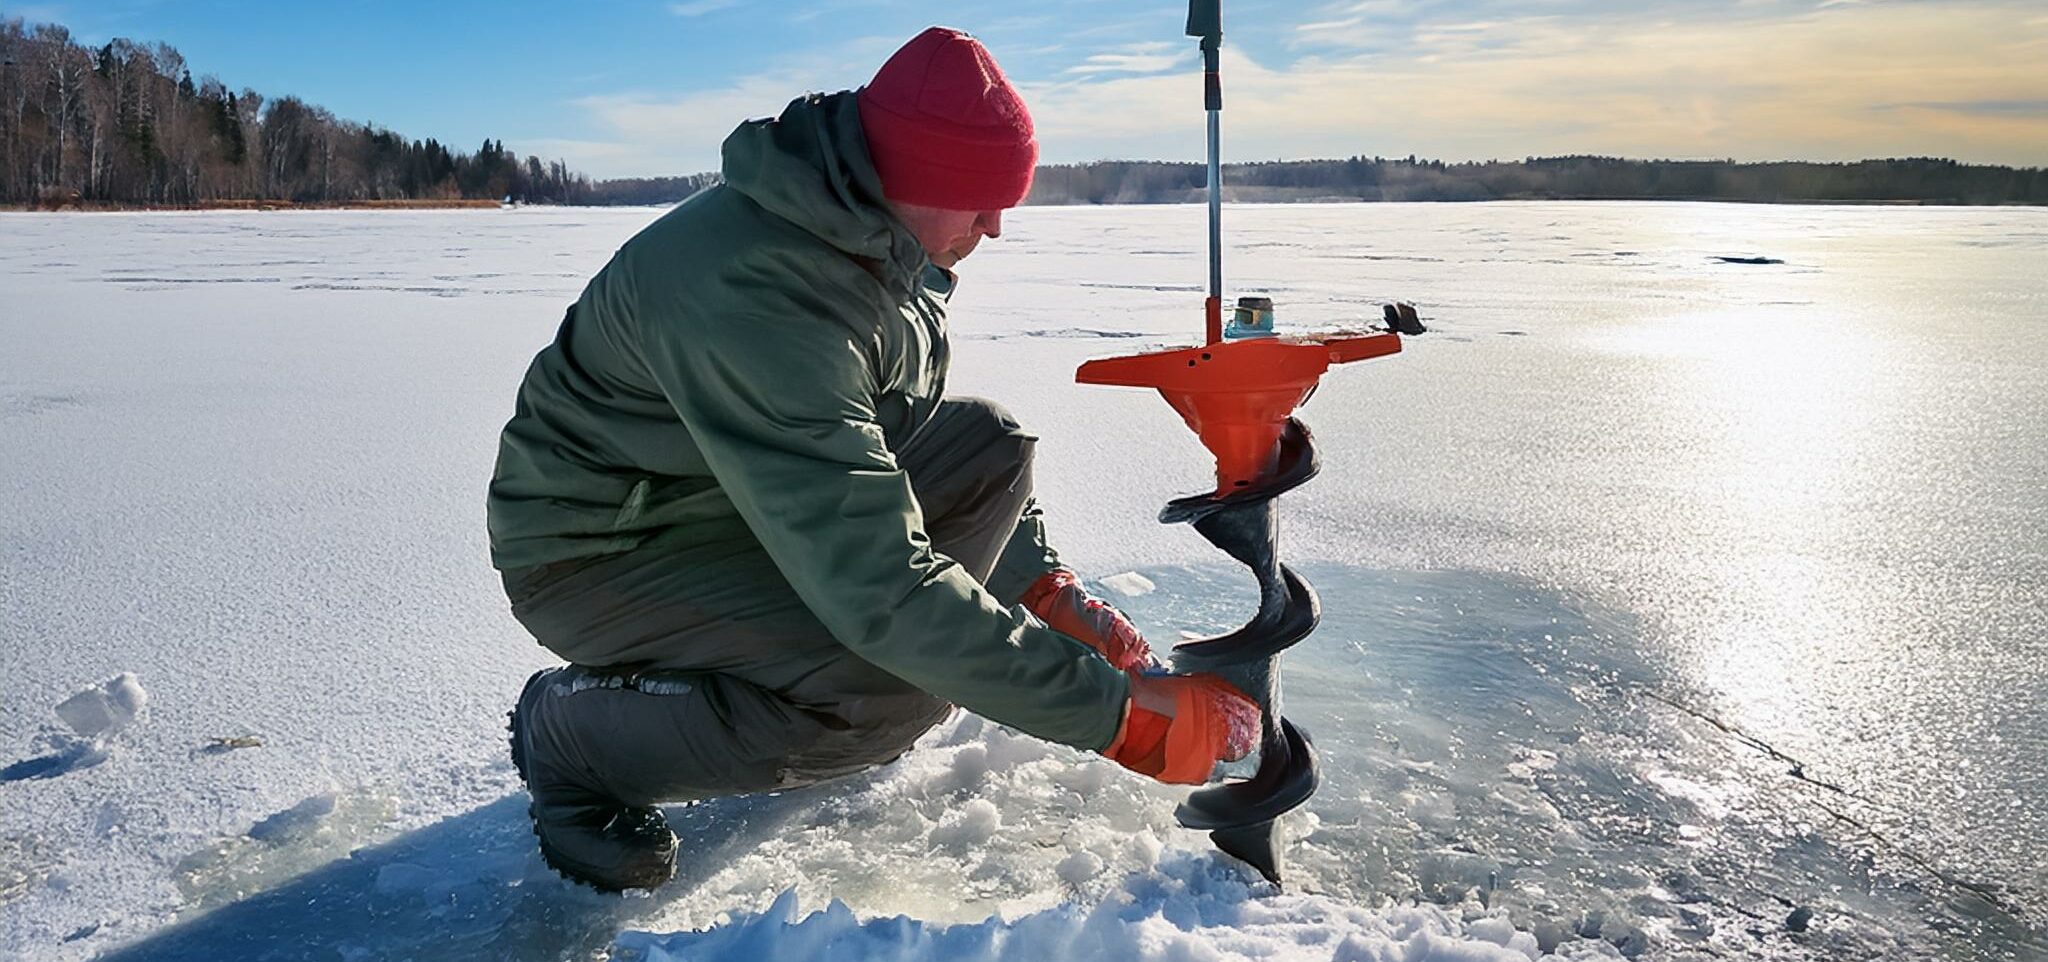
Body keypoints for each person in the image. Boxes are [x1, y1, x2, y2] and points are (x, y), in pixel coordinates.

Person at [488, 26, 1260, 893]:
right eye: (979, 200)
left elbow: (893, 444)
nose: (996, 227)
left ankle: (838, 666)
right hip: (600, 550)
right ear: (915, 177)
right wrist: (1119, 720)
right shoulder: (761, 295)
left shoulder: (869, 233)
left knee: (989, 446)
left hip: (725, 496)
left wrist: (1043, 590)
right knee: (884, 695)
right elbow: (880, 588)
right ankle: (568, 739)